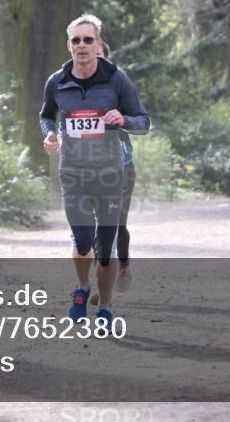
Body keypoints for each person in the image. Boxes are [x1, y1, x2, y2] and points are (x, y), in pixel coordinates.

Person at [40, 14, 150, 329]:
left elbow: (143, 121)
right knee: (82, 240)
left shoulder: (117, 79)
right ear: (69, 45)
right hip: (73, 174)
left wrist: (123, 120)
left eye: (88, 40)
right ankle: (82, 287)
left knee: (105, 249)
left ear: (98, 43)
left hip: (111, 175)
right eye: (76, 40)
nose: (82, 45)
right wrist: (50, 134)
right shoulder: (56, 81)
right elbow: (46, 115)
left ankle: (105, 307)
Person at [99, 41, 137, 292]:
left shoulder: (120, 84)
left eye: (98, 55)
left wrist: (122, 118)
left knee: (117, 224)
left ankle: (123, 263)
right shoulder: (73, 88)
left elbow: (140, 119)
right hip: (87, 167)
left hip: (122, 166)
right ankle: (96, 278)